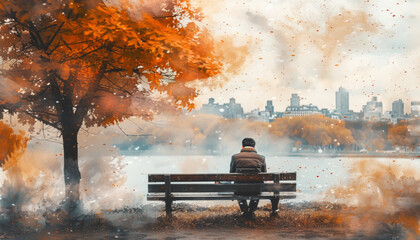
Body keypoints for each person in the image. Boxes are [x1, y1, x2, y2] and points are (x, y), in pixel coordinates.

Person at [230, 137, 266, 216]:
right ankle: (251, 211)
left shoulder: (235, 157)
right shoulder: (261, 158)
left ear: (242, 146)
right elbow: (264, 175)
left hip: (240, 189)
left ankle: (245, 211)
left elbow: (231, 174)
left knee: (238, 188)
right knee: (257, 188)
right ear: (254, 147)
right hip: (256, 189)